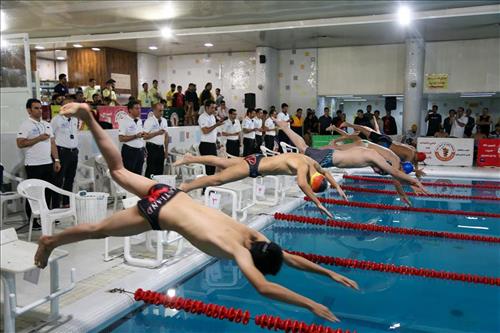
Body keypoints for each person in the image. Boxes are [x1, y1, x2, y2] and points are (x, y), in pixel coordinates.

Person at [35, 102, 358, 323]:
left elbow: (289, 257)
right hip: (158, 213)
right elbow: (265, 287)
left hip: (169, 194)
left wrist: (330, 272)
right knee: (97, 230)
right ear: (255, 261)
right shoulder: (238, 251)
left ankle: (89, 118)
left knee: (117, 170)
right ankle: (52, 240)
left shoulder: (253, 236)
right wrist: (310, 303)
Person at [275, 121, 428, 205]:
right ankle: (285, 128)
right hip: (330, 158)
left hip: (332, 159)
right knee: (303, 150)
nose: (384, 170)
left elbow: (395, 174)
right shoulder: (377, 155)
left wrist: (409, 185)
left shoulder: (376, 154)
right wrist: (413, 183)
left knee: (303, 153)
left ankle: (284, 132)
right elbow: (395, 174)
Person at [174, 152, 346, 218]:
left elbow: (326, 172)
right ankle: (185, 187)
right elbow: (301, 184)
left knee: (222, 161)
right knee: (217, 180)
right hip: (254, 166)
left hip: (257, 159)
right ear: (312, 183)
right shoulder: (303, 168)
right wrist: (318, 203)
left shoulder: (311, 163)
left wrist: (338, 187)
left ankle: (190, 158)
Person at [17, 98, 61, 227]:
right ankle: (33, 219)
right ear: (29, 110)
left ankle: (45, 215)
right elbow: (20, 143)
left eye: (40, 108)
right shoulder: (25, 125)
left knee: (47, 192)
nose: (39, 110)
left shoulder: (47, 124)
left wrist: (56, 160)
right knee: (33, 193)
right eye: (36, 108)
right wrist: (38, 138)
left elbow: (52, 143)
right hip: (33, 165)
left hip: (47, 163)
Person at [337, 121, 426, 178]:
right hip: (385, 146)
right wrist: (416, 171)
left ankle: (348, 124)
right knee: (362, 145)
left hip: (387, 140)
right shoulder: (410, 157)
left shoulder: (413, 149)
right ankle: (343, 148)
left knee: (364, 130)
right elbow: (404, 168)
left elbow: (416, 160)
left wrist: (417, 169)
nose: (416, 163)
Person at [51, 103, 80, 207]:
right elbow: (51, 137)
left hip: (73, 152)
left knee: (70, 179)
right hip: (61, 151)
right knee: (58, 180)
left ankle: (66, 202)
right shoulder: (56, 119)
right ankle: (55, 205)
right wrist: (56, 158)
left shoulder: (75, 119)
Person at [143, 102, 169, 179]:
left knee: (160, 170)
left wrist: (166, 150)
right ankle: (148, 187)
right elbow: (144, 136)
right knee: (151, 170)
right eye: (159, 111)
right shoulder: (149, 121)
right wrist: (157, 133)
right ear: (154, 111)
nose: (162, 113)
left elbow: (166, 136)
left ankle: (158, 188)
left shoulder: (164, 120)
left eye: (163, 110)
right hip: (151, 148)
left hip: (161, 148)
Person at [198, 100, 224, 176]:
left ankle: (210, 186)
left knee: (213, 168)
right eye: (212, 108)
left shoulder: (212, 116)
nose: (214, 110)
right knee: (208, 169)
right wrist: (216, 125)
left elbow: (212, 130)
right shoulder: (202, 117)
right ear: (206, 107)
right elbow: (205, 131)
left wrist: (217, 140)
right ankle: (205, 187)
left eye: (214, 108)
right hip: (205, 145)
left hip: (212, 145)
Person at [119, 100, 145, 175]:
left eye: (140, 108)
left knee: (138, 175)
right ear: (130, 110)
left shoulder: (139, 120)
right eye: (136, 108)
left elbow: (140, 136)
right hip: (130, 152)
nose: (139, 110)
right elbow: (121, 138)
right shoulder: (124, 121)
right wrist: (135, 136)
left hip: (140, 152)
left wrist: (143, 147)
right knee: (129, 175)